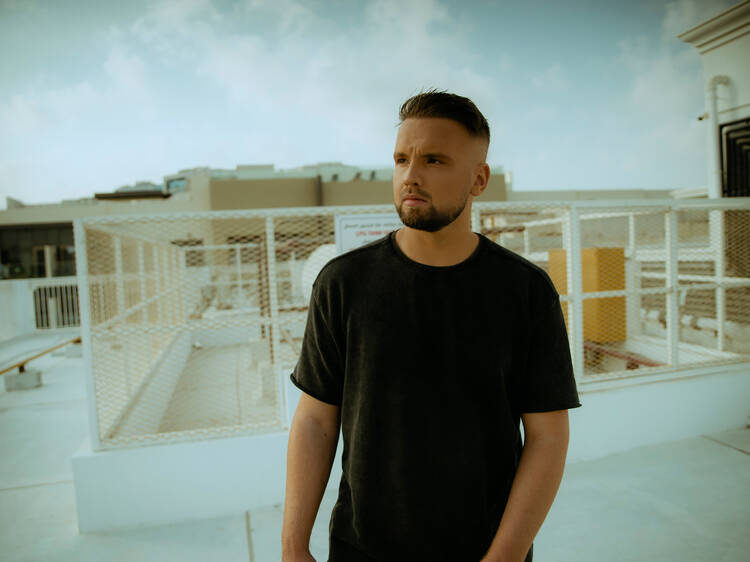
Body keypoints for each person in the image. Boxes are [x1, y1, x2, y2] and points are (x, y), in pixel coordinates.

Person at [282, 90, 581, 562]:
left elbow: (547, 436)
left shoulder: (525, 290)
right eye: (402, 159)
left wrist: (502, 557)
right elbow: (317, 420)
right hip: (362, 550)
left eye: (435, 160)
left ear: (478, 179)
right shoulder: (343, 283)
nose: (411, 176)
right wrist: (293, 543)